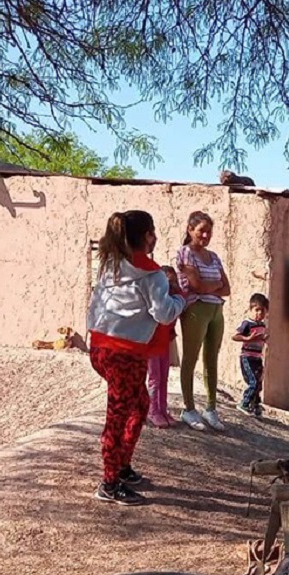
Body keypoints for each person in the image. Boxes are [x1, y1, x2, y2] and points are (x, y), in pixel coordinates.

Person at [87, 211, 186, 505]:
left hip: (100, 349)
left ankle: (121, 466)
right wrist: (180, 298)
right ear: (147, 236)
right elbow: (164, 312)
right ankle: (109, 482)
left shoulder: (110, 264)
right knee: (117, 417)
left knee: (139, 404)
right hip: (125, 354)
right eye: (152, 231)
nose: (155, 236)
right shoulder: (151, 276)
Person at [175, 211, 231, 431]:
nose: (205, 235)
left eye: (209, 231)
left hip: (216, 310)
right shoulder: (185, 253)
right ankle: (189, 408)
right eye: (201, 231)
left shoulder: (214, 256)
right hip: (196, 310)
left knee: (212, 358)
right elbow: (195, 285)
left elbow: (227, 288)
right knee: (190, 358)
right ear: (190, 230)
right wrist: (214, 286)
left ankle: (211, 407)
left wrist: (213, 287)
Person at [141, 264, 181, 429]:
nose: (171, 286)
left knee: (163, 377)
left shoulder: (173, 301)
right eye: (167, 282)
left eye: (173, 282)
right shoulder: (154, 301)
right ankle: (152, 411)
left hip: (164, 344)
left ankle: (162, 409)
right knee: (154, 379)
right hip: (151, 345)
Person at [233, 293, 269, 416]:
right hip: (247, 357)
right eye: (257, 310)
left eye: (262, 311)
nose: (259, 314)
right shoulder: (247, 323)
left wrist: (263, 338)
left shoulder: (262, 325)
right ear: (251, 310)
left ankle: (255, 405)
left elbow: (259, 339)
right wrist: (248, 338)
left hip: (257, 357)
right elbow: (235, 336)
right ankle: (244, 402)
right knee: (253, 381)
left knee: (258, 383)